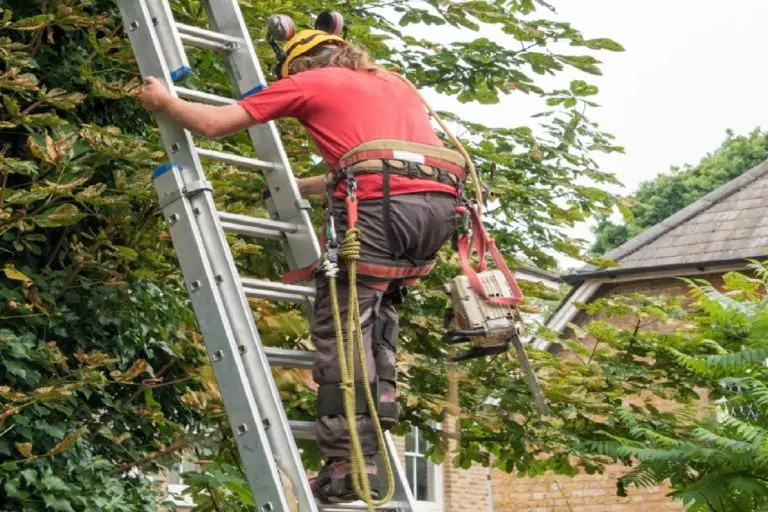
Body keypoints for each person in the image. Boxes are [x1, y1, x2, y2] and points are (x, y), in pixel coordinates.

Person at [138, 20, 467, 504]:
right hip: (437, 213)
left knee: (342, 331)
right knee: (377, 320)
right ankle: (376, 428)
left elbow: (212, 124)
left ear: (298, 63)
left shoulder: (306, 81)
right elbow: (376, 162)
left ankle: (348, 469)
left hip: (380, 210)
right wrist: (296, 189)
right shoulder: (393, 81)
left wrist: (164, 102)